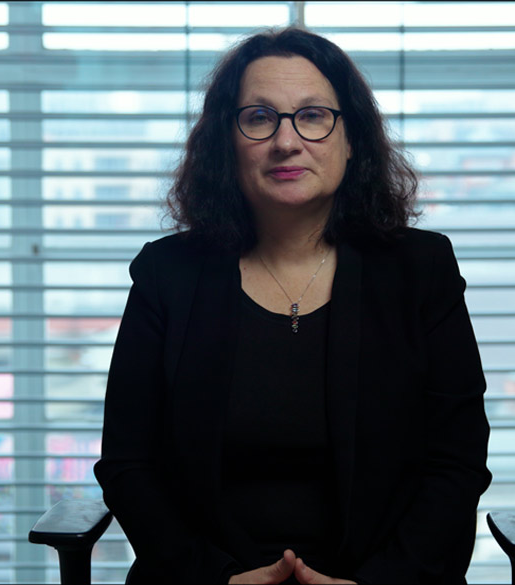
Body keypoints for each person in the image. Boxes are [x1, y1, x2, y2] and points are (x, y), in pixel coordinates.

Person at [94, 26, 492, 585]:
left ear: (351, 139)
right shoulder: (167, 274)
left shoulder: (421, 270)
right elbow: (129, 463)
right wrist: (218, 578)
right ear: (225, 142)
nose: (287, 141)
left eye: (313, 116)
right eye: (259, 117)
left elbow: (456, 461)